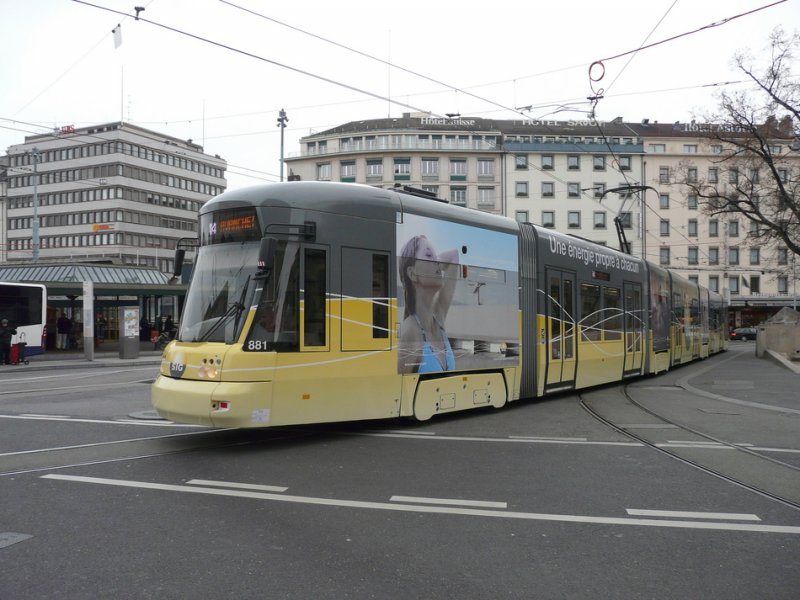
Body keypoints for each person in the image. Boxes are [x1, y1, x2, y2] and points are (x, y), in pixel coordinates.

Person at [398, 235, 459, 374]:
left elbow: (454, 256)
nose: (437, 262)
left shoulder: (438, 319)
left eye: (437, 258)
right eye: (429, 255)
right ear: (412, 273)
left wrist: (433, 261)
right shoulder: (409, 332)